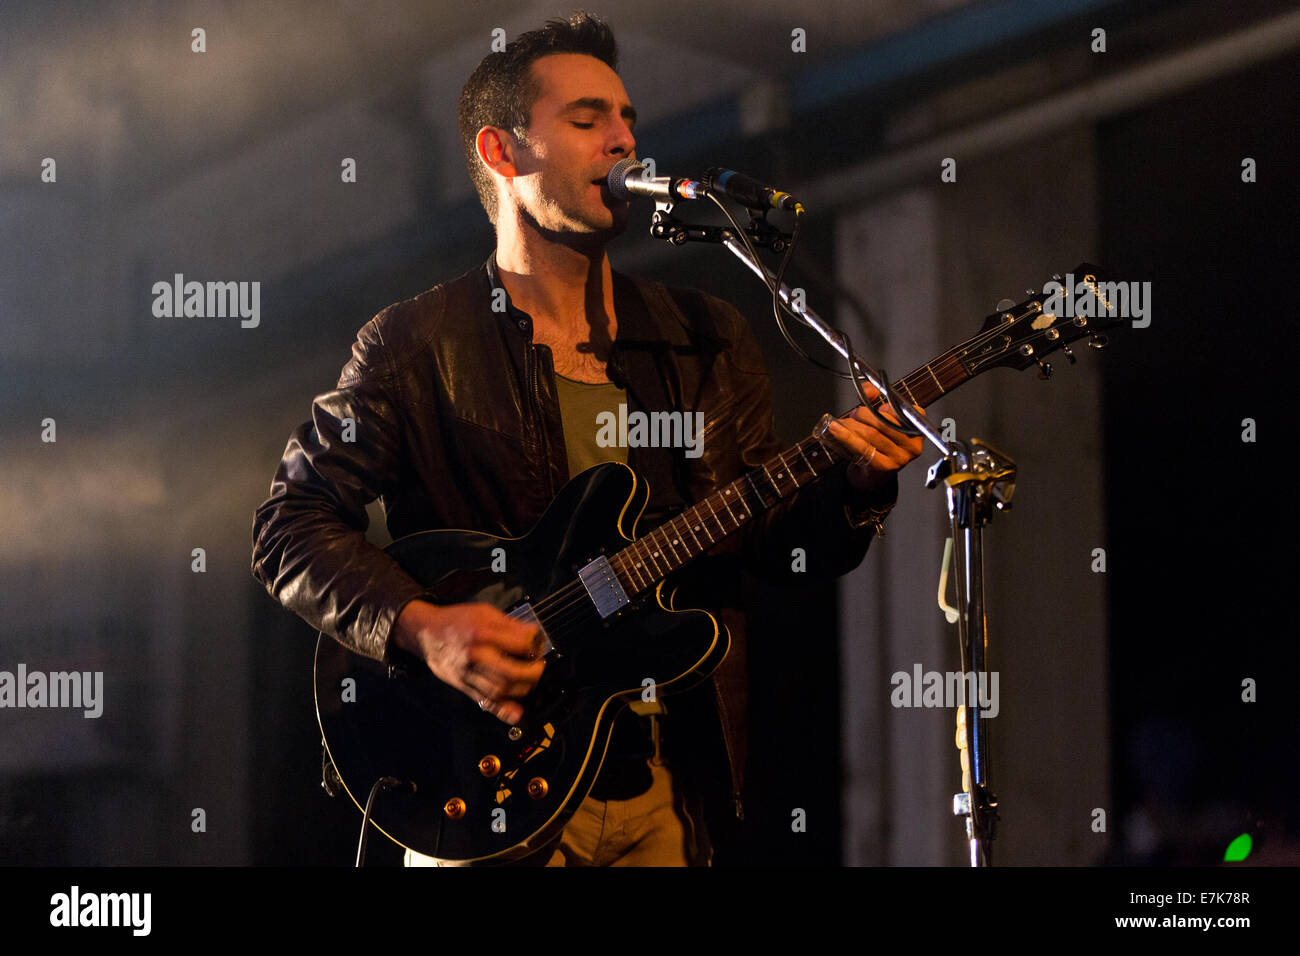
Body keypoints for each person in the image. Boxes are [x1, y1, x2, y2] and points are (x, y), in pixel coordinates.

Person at [250, 11, 923, 867]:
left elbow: (769, 533)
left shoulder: (701, 334)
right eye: (588, 119)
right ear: (502, 153)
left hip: (667, 784)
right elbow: (290, 527)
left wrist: (855, 487)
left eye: (629, 117)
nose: (625, 139)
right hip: (486, 781)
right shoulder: (417, 343)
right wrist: (425, 629)